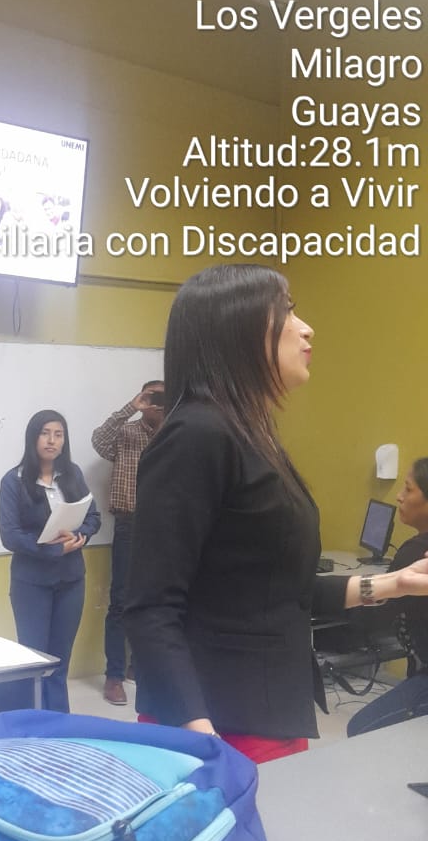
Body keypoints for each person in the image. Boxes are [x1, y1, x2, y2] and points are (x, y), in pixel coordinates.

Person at [124, 264, 428, 763]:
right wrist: (201, 737)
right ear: (238, 328)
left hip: (266, 709)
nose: (306, 329)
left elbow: (279, 592)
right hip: (216, 724)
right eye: (287, 312)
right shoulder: (196, 434)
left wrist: (396, 583)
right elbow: (151, 608)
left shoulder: (248, 434)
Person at [0, 410, 101, 712]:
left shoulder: (73, 475)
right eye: (45, 433)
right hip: (32, 583)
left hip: (71, 581)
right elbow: (10, 535)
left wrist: (80, 536)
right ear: (33, 437)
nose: (51, 440)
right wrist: (54, 550)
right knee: (35, 661)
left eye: (58, 434)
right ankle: (34, 725)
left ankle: (60, 724)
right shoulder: (13, 481)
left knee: (59, 662)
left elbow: (93, 517)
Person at [91, 382, 165, 704]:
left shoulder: (176, 434)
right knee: (120, 602)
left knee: (156, 601)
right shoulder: (126, 433)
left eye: (162, 396)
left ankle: (140, 666)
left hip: (165, 527)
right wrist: (132, 407)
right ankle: (114, 675)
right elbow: (99, 441)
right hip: (130, 524)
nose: (156, 402)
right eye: (151, 396)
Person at [347, 458, 428, 736]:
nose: (399, 496)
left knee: (359, 731)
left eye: (408, 489)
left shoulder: (414, 552)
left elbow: (373, 617)